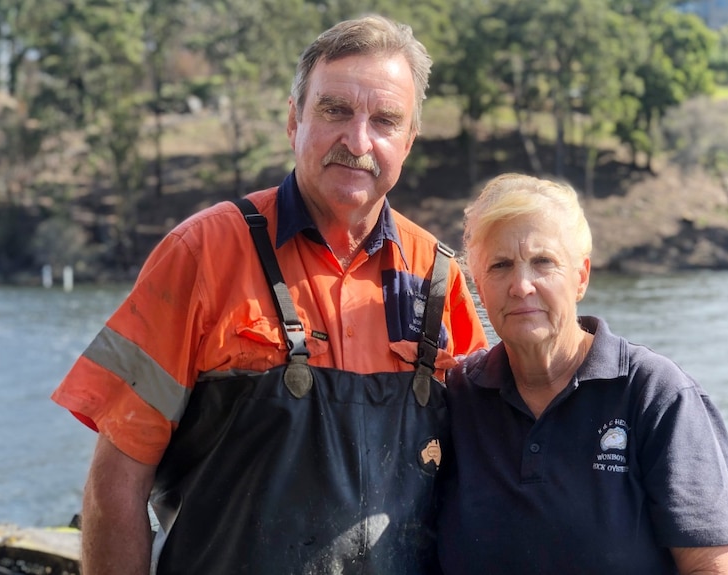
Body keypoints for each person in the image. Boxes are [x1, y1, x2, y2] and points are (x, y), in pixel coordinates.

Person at [51, 15, 487, 575]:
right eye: (334, 110)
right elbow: (116, 485)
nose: (357, 141)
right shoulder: (201, 252)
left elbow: (485, 475)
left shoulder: (438, 275)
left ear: (408, 141)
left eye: (384, 120)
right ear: (293, 119)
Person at [437, 173, 728, 575]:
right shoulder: (459, 396)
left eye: (543, 262)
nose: (521, 285)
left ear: (580, 277)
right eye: (500, 266)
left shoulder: (657, 395)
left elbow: (715, 565)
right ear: (478, 287)